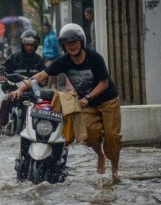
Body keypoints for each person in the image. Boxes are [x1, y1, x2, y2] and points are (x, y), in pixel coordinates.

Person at [10, 23, 122, 180]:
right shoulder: (64, 61)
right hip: (86, 104)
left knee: (112, 137)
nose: (71, 46)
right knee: (89, 135)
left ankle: (115, 169)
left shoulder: (95, 58)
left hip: (107, 100)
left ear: (81, 41)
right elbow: (40, 76)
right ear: (63, 46)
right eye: (67, 44)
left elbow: (104, 83)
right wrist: (19, 90)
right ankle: (100, 155)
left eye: (74, 42)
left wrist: (87, 98)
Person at [0, 29, 46, 134]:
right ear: (23, 44)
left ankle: (42, 127)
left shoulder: (38, 59)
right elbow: (3, 69)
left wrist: (43, 81)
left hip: (32, 91)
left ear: (36, 45)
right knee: (6, 99)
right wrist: (2, 76)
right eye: (27, 45)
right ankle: (0, 124)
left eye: (32, 45)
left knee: (43, 104)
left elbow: (45, 74)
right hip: (14, 89)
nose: (30, 47)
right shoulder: (14, 57)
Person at [42, 22, 61, 89]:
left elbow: (56, 47)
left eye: (45, 29)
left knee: (50, 72)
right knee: (53, 73)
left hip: (52, 57)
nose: (44, 30)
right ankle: (56, 87)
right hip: (48, 57)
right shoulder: (47, 36)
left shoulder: (52, 37)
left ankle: (49, 87)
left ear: (48, 29)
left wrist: (57, 57)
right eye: (43, 29)